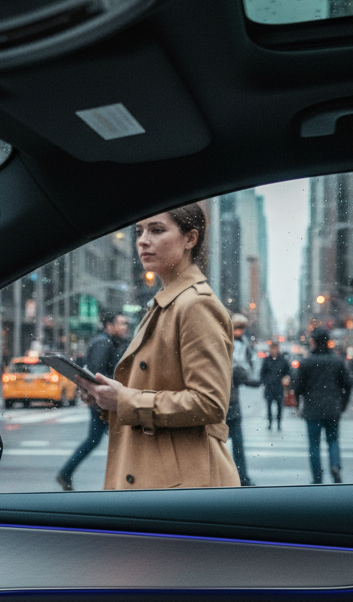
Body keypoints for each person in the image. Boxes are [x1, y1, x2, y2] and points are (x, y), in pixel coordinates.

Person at [75, 204, 240, 490]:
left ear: (190, 238)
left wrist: (125, 400)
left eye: (157, 230)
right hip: (162, 481)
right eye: (139, 231)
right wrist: (106, 398)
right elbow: (153, 387)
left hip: (182, 488)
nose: (143, 241)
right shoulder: (165, 304)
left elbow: (210, 403)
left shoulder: (195, 305)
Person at [55, 312, 129, 490]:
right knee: (121, 441)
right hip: (103, 402)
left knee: (99, 440)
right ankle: (122, 482)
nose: (125, 327)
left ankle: (66, 473)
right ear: (110, 326)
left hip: (102, 401)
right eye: (121, 323)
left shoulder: (108, 342)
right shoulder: (104, 343)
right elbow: (97, 373)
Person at [292, 327, 351, 484]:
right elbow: (347, 385)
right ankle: (335, 465)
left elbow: (298, 387)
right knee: (333, 441)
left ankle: (317, 477)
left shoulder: (306, 362)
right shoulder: (337, 361)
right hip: (332, 408)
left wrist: (298, 405)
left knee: (314, 445)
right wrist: (343, 405)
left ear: (313, 341)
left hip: (312, 409)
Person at [227, 314, 256, 486]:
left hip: (232, 402)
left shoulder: (244, 344)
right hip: (222, 403)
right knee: (222, 445)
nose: (240, 332)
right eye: (237, 328)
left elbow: (247, 367)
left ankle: (242, 477)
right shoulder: (226, 343)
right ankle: (238, 477)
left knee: (237, 444)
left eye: (242, 329)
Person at [259, 340, 290, 431]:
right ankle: (270, 423)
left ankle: (279, 423)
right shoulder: (267, 360)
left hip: (279, 387)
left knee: (280, 406)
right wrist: (266, 381)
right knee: (269, 406)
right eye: (272, 349)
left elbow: (287, 372)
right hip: (269, 387)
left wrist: (286, 380)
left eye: (275, 349)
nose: (274, 351)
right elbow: (262, 373)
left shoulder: (283, 360)